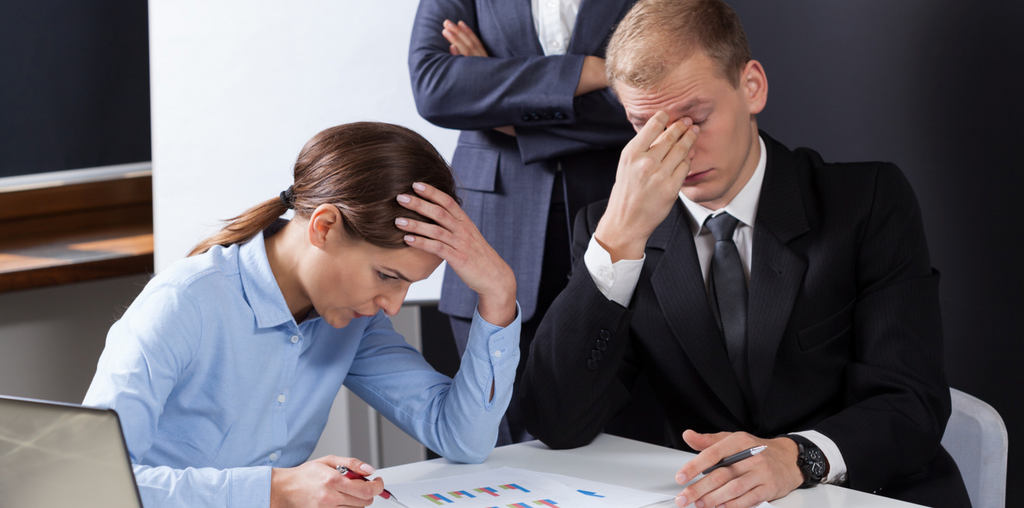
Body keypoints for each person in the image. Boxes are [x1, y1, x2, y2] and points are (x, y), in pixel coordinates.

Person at [519, 1, 971, 507]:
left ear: (751, 86)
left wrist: (799, 457)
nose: (678, 149)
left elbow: (912, 403)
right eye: (647, 127)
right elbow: (556, 421)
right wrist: (618, 241)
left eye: (695, 118)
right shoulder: (611, 230)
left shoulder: (867, 202)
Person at [83, 122, 521, 508]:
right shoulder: (184, 303)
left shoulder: (356, 322)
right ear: (324, 227)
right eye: (388, 275)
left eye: (408, 284)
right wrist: (276, 491)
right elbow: (93, 484)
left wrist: (498, 294)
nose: (393, 304)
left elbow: (462, 438)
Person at [408, 0, 660, 446]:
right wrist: (594, 70)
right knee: (492, 436)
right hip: (494, 223)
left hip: (616, 213)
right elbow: (435, 86)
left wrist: (503, 100)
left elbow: (656, 94)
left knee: (615, 433)